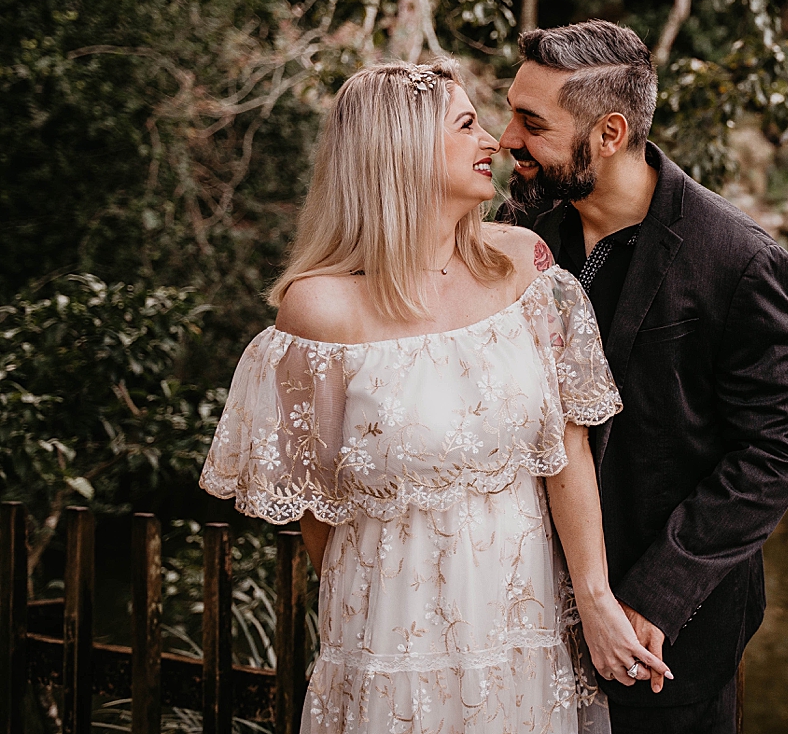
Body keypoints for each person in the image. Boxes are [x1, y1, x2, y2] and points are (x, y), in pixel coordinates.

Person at [199, 59, 669, 734]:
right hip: (391, 643)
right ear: (403, 148)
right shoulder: (319, 310)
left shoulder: (526, 266)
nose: (495, 142)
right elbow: (317, 509)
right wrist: (378, 619)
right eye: (467, 124)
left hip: (521, 628)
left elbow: (566, 448)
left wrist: (593, 596)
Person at [498, 21, 788, 734]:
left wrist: (653, 595)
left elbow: (778, 451)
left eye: (531, 122)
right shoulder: (519, 229)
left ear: (608, 132)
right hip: (520, 614)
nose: (506, 138)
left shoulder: (736, 259)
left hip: (665, 637)